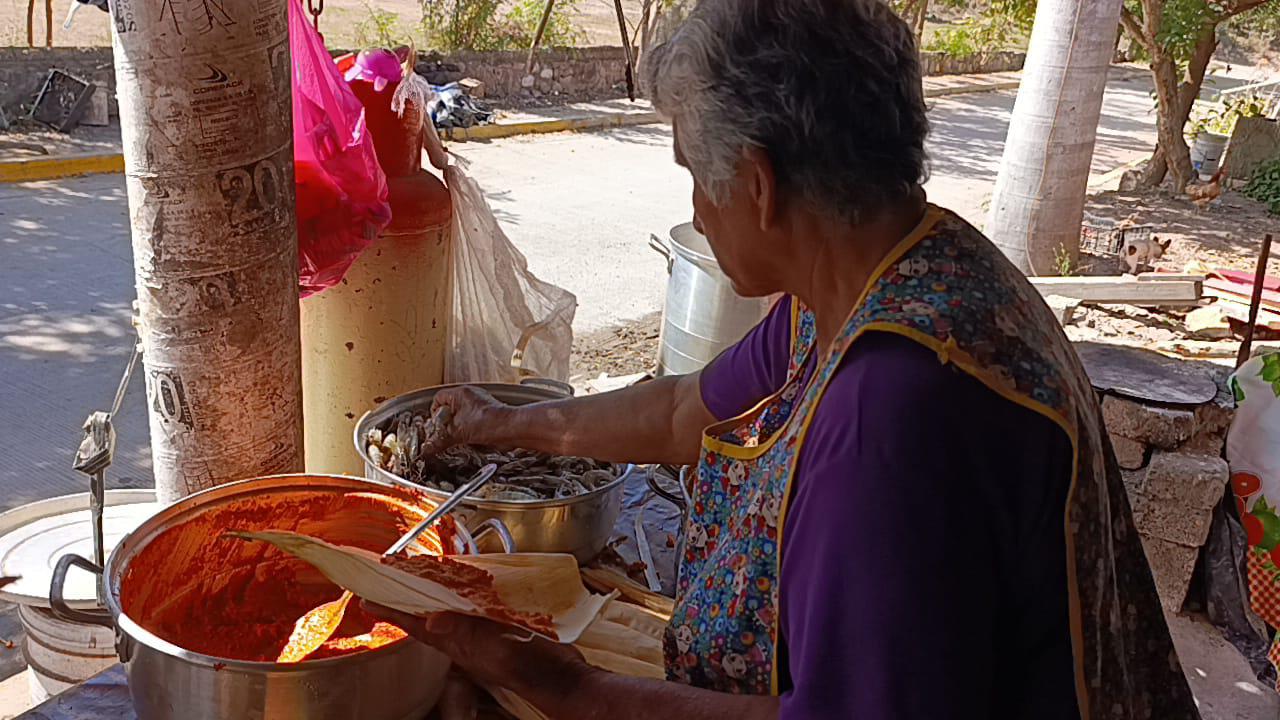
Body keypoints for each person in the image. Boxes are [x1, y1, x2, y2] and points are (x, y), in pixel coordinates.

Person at [366, 0, 1199, 717]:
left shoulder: (893, 411)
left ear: (758, 185)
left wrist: (572, 690)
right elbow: (682, 410)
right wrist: (501, 423)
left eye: (697, 175)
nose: (698, 209)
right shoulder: (885, 271)